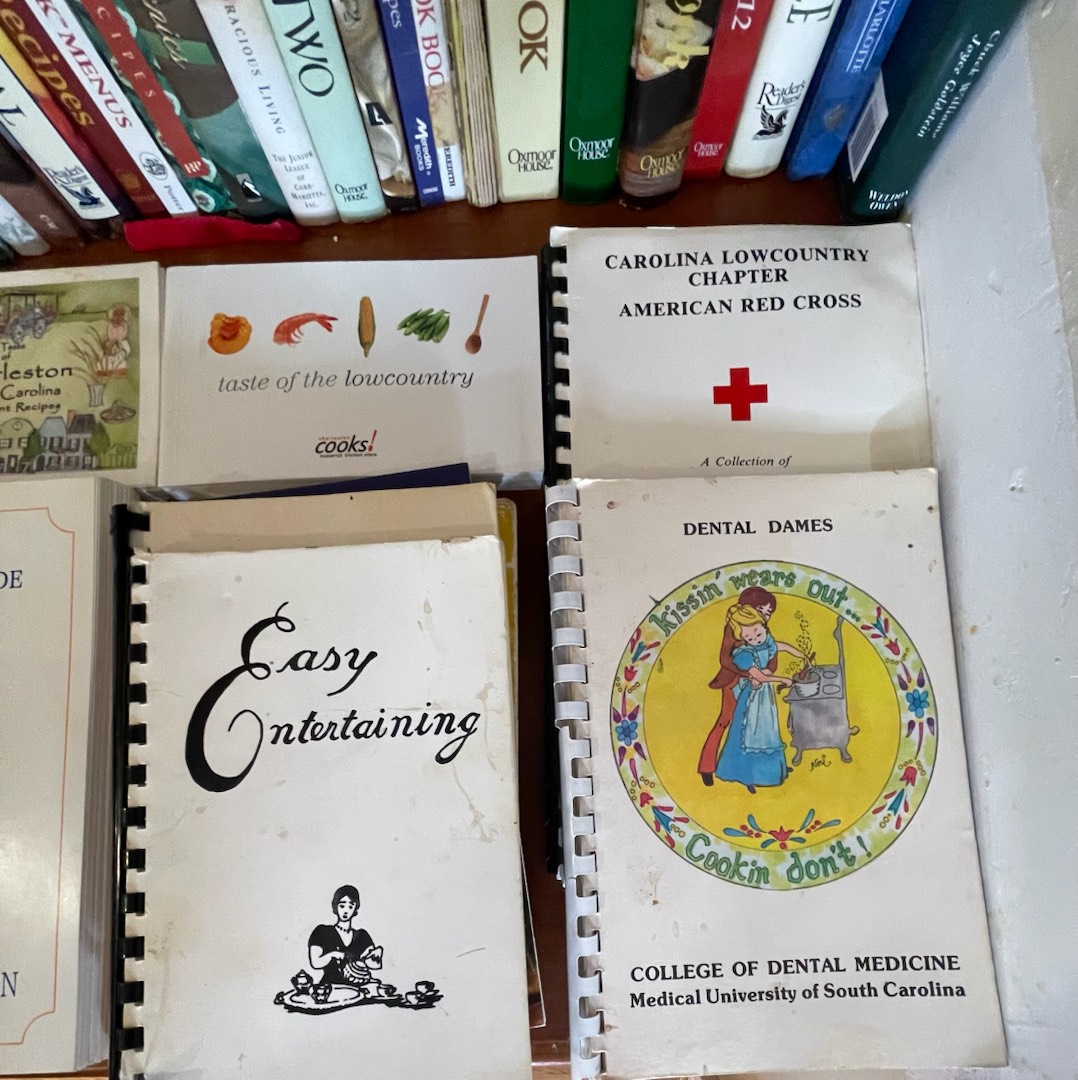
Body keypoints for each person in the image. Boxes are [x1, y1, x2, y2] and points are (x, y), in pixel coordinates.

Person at [712, 604, 802, 794]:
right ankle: (746, 775)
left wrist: (799, 653)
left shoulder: (766, 642)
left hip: (765, 696)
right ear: (742, 638)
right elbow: (758, 676)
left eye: (757, 632)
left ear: (763, 625)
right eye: (749, 637)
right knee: (749, 733)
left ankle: (772, 772)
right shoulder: (744, 653)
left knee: (768, 730)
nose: (755, 638)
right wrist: (782, 679)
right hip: (751, 698)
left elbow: (778, 646)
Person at [697, 586, 779, 786]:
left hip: (757, 686)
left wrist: (767, 672)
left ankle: (763, 766)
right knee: (725, 721)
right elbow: (725, 660)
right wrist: (750, 673)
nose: (765, 616)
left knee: (755, 726)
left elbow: (772, 654)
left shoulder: (761, 629)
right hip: (734, 683)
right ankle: (707, 767)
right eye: (761, 610)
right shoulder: (733, 629)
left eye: (768, 613)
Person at [308, 884, 379, 986]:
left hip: (357, 987)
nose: (346, 911)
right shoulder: (322, 932)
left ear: (355, 909)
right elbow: (315, 963)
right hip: (330, 988)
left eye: (350, 906)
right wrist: (333, 954)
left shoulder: (362, 936)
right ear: (336, 906)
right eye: (342, 906)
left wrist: (376, 955)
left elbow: (374, 965)